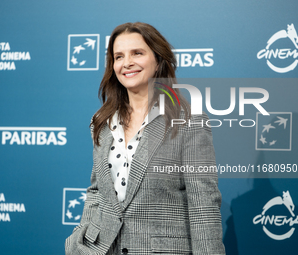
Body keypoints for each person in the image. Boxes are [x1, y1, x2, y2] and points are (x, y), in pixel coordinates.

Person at [65, 22, 225, 255]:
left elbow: (203, 205)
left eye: (137, 53)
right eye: (118, 57)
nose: (126, 63)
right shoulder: (102, 120)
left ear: (158, 60)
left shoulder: (189, 121)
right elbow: (97, 190)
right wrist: (79, 241)